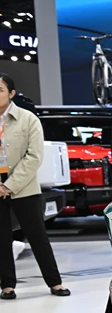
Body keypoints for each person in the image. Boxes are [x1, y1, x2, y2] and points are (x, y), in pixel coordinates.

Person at [0, 73, 70, 299]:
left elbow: (34, 156)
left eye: (0, 90)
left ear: (11, 93)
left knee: (37, 235)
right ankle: (7, 286)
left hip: (23, 186)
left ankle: (55, 283)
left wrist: (9, 185)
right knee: (1, 238)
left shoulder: (27, 119)